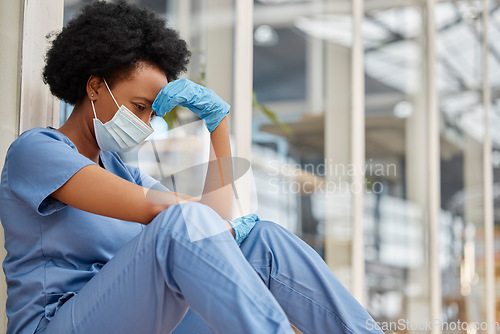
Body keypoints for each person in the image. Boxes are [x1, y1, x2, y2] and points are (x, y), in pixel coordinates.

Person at [0, 1, 384, 334]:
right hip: (58, 325)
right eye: (138, 107)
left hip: (134, 320)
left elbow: (209, 232)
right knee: (183, 220)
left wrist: (218, 125)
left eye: (151, 112)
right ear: (95, 87)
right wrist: (210, 223)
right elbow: (172, 215)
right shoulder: (37, 151)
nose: (146, 123)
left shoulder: (122, 170)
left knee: (262, 242)